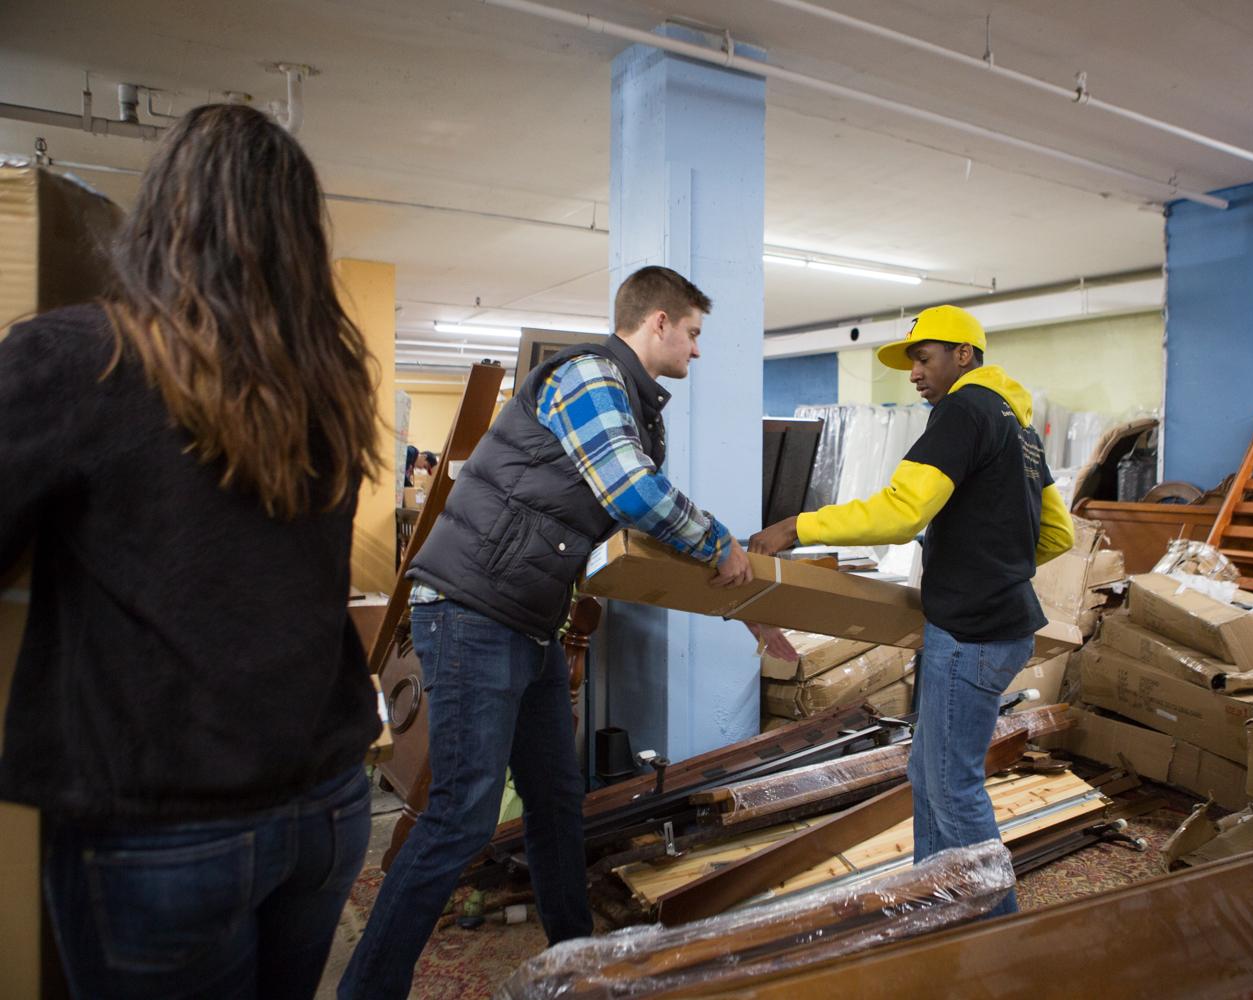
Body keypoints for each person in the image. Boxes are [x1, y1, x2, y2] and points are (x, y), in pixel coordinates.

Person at [0, 104, 383, 997]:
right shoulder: (327, 386)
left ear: (165, 212)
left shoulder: (78, 356)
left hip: (165, 820)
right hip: (326, 803)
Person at [340, 265, 788, 998]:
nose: (699, 352)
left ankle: (576, 966)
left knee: (555, 802)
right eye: (695, 334)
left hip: (529, 621)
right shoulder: (589, 378)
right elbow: (633, 493)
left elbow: (640, 531)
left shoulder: (640, 409)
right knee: (462, 815)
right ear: (659, 323)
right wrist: (719, 543)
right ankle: (368, 988)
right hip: (471, 611)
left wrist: (747, 603)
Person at [750, 304, 1074, 916]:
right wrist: (983, 544)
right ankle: (935, 906)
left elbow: (901, 511)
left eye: (923, 359)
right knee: (930, 778)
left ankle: (998, 929)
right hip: (1003, 625)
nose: (915, 374)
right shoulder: (1018, 426)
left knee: (952, 786)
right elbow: (1056, 534)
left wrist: (798, 526)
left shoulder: (963, 411)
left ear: (963, 355)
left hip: (971, 631)